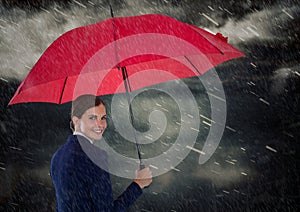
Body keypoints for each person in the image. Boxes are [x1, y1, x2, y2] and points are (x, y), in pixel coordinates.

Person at [50, 94, 152, 211]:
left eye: (103, 118)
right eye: (92, 118)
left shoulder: (57, 156)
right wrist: (138, 185)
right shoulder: (95, 156)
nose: (100, 124)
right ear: (76, 121)